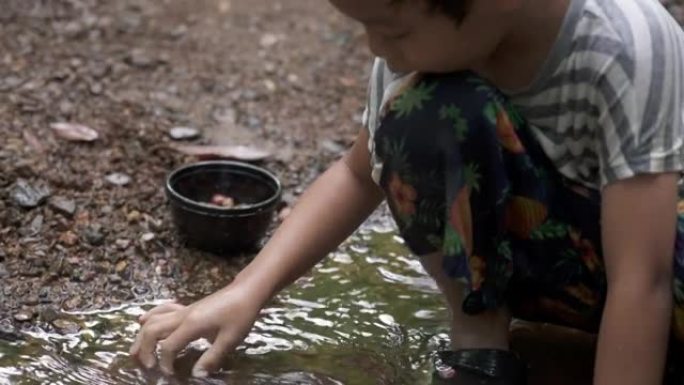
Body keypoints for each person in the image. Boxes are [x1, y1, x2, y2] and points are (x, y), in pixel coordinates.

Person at [130, 0, 684, 383]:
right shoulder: (426, 57)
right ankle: (480, 339)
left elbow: (645, 279)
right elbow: (355, 173)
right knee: (418, 114)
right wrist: (246, 291)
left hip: (660, 267)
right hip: (561, 265)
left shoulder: (627, 45)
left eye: (394, 30)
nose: (381, 50)